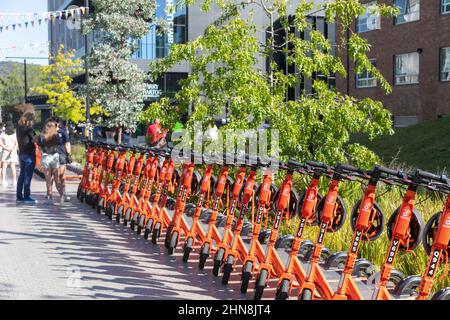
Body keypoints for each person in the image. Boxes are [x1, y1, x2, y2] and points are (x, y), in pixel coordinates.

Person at [37, 118, 64, 204]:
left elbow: (39, 147)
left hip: (46, 157)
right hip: (54, 157)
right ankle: (61, 195)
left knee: (48, 178)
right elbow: (60, 144)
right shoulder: (56, 136)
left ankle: (49, 194)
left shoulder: (42, 136)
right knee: (57, 178)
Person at [16, 112, 38, 203]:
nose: (33, 122)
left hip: (21, 154)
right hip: (29, 154)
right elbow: (35, 139)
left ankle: (19, 196)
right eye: (32, 120)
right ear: (29, 120)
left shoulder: (18, 128)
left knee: (22, 175)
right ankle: (27, 196)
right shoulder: (29, 129)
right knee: (27, 176)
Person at [53, 117, 72, 202]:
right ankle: (62, 194)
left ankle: (62, 194)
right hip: (53, 156)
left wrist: (68, 154)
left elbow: (67, 143)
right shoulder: (49, 132)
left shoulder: (62, 131)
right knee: (57, 176)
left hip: (61, 155)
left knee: (61, 176)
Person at [0, 121, 18, 187]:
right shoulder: (15, 134)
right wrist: (13, 150)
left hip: (5, 151)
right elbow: (16, 144)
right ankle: (14, 181)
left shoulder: (2, 134)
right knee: (13, 167)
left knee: (4, 167)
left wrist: (6, 148)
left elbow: (0, 143)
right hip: (13, 152)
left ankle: (3, 181)